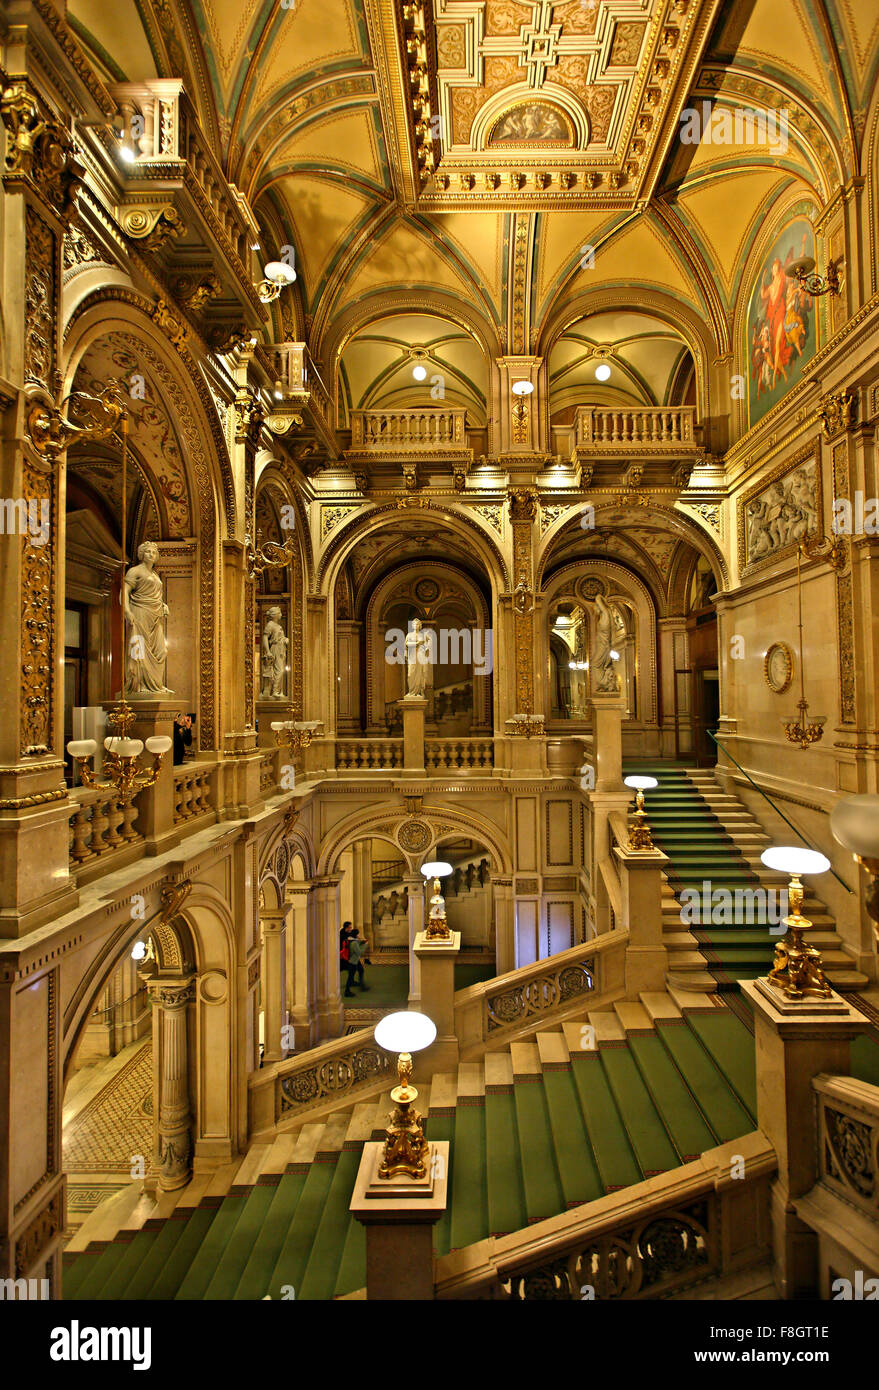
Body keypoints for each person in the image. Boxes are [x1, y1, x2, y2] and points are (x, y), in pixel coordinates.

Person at [343, 928, 369, 997]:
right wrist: (365, 945)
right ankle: (347, 991)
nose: (359, 935)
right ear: (356, 935)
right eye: (358, 934)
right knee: (350, 977)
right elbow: (359, 952)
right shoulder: (354, 943)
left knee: (361, 971)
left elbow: (358, 943)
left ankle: (362, 986)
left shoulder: (353, 940)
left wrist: (362, 942)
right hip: (353, 962)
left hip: (355, 961)